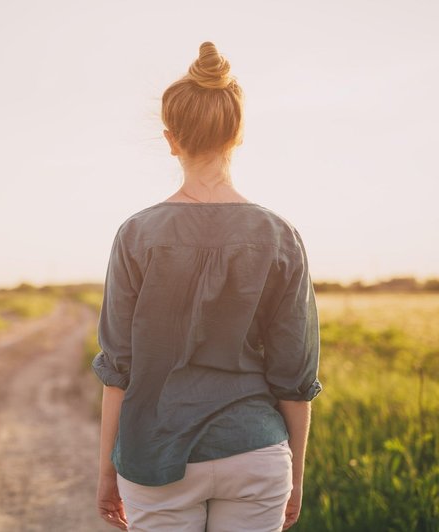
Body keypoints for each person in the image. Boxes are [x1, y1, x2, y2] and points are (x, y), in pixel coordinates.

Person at [91, 41, 322, 532]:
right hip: (256, 452)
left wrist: (107, 470)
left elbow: (118, 370)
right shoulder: (280, 236)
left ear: (171, 139)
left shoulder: (136, 235)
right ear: (237, 134)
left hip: (154, 454)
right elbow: (294, 377)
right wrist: (294, 476)